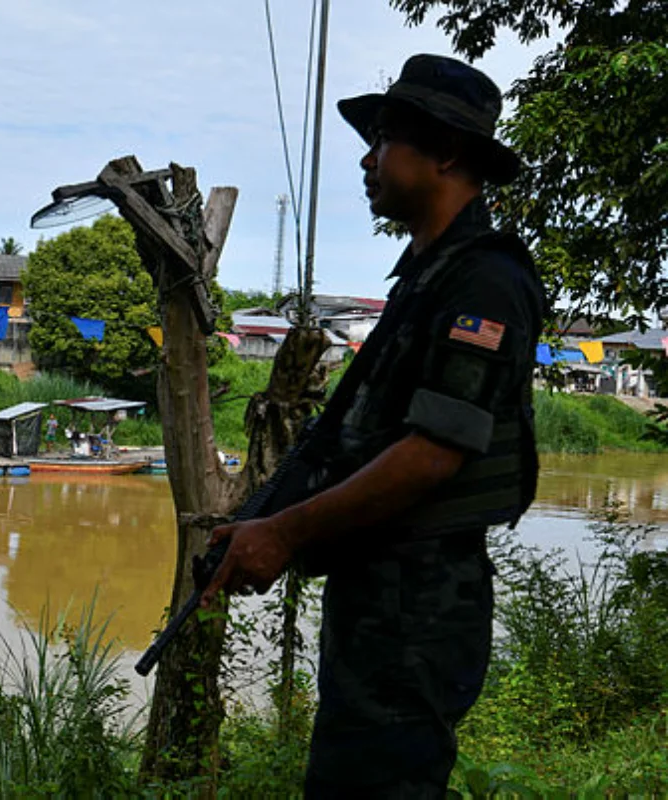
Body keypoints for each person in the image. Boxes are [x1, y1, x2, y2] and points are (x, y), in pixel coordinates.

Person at [200, 54, 545, 797]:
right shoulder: (427, 276)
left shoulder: (482, 281)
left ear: (446, 152)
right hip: (383, 598)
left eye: (385, 137)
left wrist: (286, 533)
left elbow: (434, 454)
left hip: (417, 607)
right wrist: (274, 521)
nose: (367, 157)